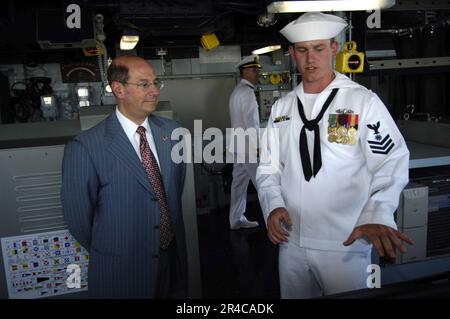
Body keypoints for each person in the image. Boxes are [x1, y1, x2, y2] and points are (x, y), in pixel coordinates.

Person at [256, 12, 414, 298]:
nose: (310, 59)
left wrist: (378, 212)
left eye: (318, 49)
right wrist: (273, 205)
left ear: (334, 48)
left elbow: (391, 161)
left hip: (345, 243)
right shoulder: (282, 108)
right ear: (292, 53)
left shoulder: (361, 101)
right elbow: (268, 167)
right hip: (291, 243)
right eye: (302, 51)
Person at [61, 55, 187, 298]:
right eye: (144, 84)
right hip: (122, 270)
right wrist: (116, 249)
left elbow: (174, 190)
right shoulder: (86, 147)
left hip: (170, 259)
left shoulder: (173, 132)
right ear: (118, 89)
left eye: (155, 83)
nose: (154, 91)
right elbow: (78, 220)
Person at [228, 55, 262, 230]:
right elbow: (251, 122)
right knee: (264, 183)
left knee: (239, 185)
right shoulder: (247, 92)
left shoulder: (236, 91)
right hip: (248, 147)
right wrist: (258, 147)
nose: (258, 74)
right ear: (245, 71)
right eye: (255, 70)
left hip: (238, 146)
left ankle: (235, 219)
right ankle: (276, 222)